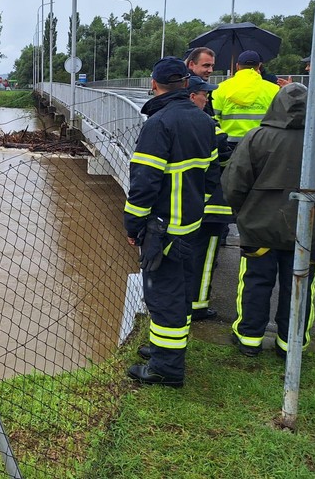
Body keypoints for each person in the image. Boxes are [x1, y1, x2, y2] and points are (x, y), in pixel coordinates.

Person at [223, 83, 315, 357]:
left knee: (255, 282)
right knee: (299, 286)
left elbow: (234, 184)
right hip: (306, 230)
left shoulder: (256, 138)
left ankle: (249, 339)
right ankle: (291, 344)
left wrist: (245, 213)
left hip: (259, 228)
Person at [123, 57, 220, 387]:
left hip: (163, 228)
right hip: (190, 225)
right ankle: (163, 350)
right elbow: (211, 177)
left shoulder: (158, 124)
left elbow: (144, 181)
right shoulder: (205, 121)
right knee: (179, 294)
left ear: (154, 85)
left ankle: (167, 368)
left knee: (164, 297)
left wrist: (132, 225)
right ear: (186, 84)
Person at [186, 75, 234, 320]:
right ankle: (198, 306)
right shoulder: (210, 126)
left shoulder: (169, 121)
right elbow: (224, 159)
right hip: (212, 206)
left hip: (184, 205)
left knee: (185, 255)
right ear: (193, 97)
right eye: (205, 94)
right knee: (205, 259)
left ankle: (184, 300)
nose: (208, 98)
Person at [212, 50, 280, 149]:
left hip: (229, 145)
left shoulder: (220, 88)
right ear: (259, 66)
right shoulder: (273, 89)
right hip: (262, 145)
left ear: (237, 66)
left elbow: (213, 117)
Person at [185, 47, 217, 115]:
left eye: (212, 66)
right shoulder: (186, 87)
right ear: (191, 64)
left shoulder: (202, 84)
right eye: (206, 65)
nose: (210, 70)